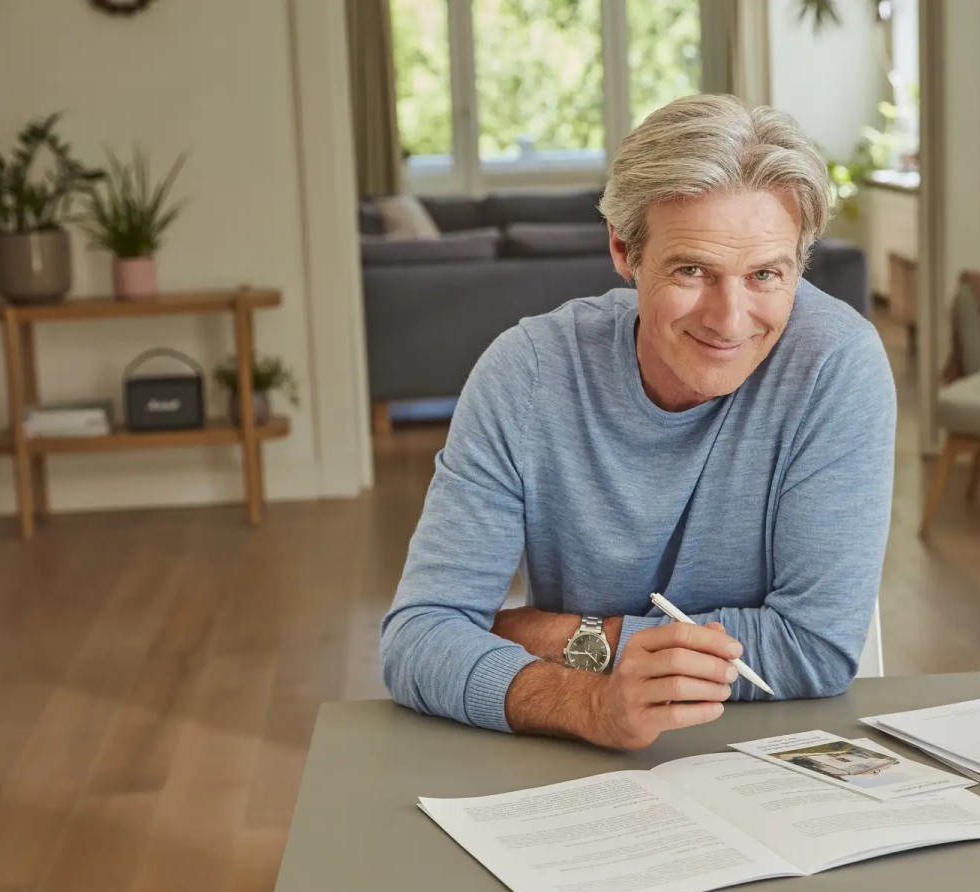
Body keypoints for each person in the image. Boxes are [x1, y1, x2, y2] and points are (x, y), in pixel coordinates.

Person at [381, 94, 896, 751]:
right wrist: (590, 705)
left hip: (783, 753)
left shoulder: (836, 364)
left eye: (767, 274)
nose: (729, 320)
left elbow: (815, 647)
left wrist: (553, 635)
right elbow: (420, 637)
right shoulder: (528, 374)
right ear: (625, 252)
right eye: (693, 270)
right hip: (579, 758)